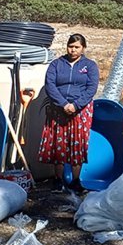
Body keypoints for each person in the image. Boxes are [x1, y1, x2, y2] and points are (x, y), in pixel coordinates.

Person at [39, 33, 99, 193]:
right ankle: (58, 179)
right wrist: (63, 104)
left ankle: (75, 180)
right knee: (58, 145)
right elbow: (50, 85)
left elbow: (91, 88)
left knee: (77, 144)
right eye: (70, 46)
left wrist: (76, 105)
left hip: (80, 110)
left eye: (77, 47)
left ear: (83, 48)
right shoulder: (56, 64)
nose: (73, 50)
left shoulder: (90, 66)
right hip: (58, 110)